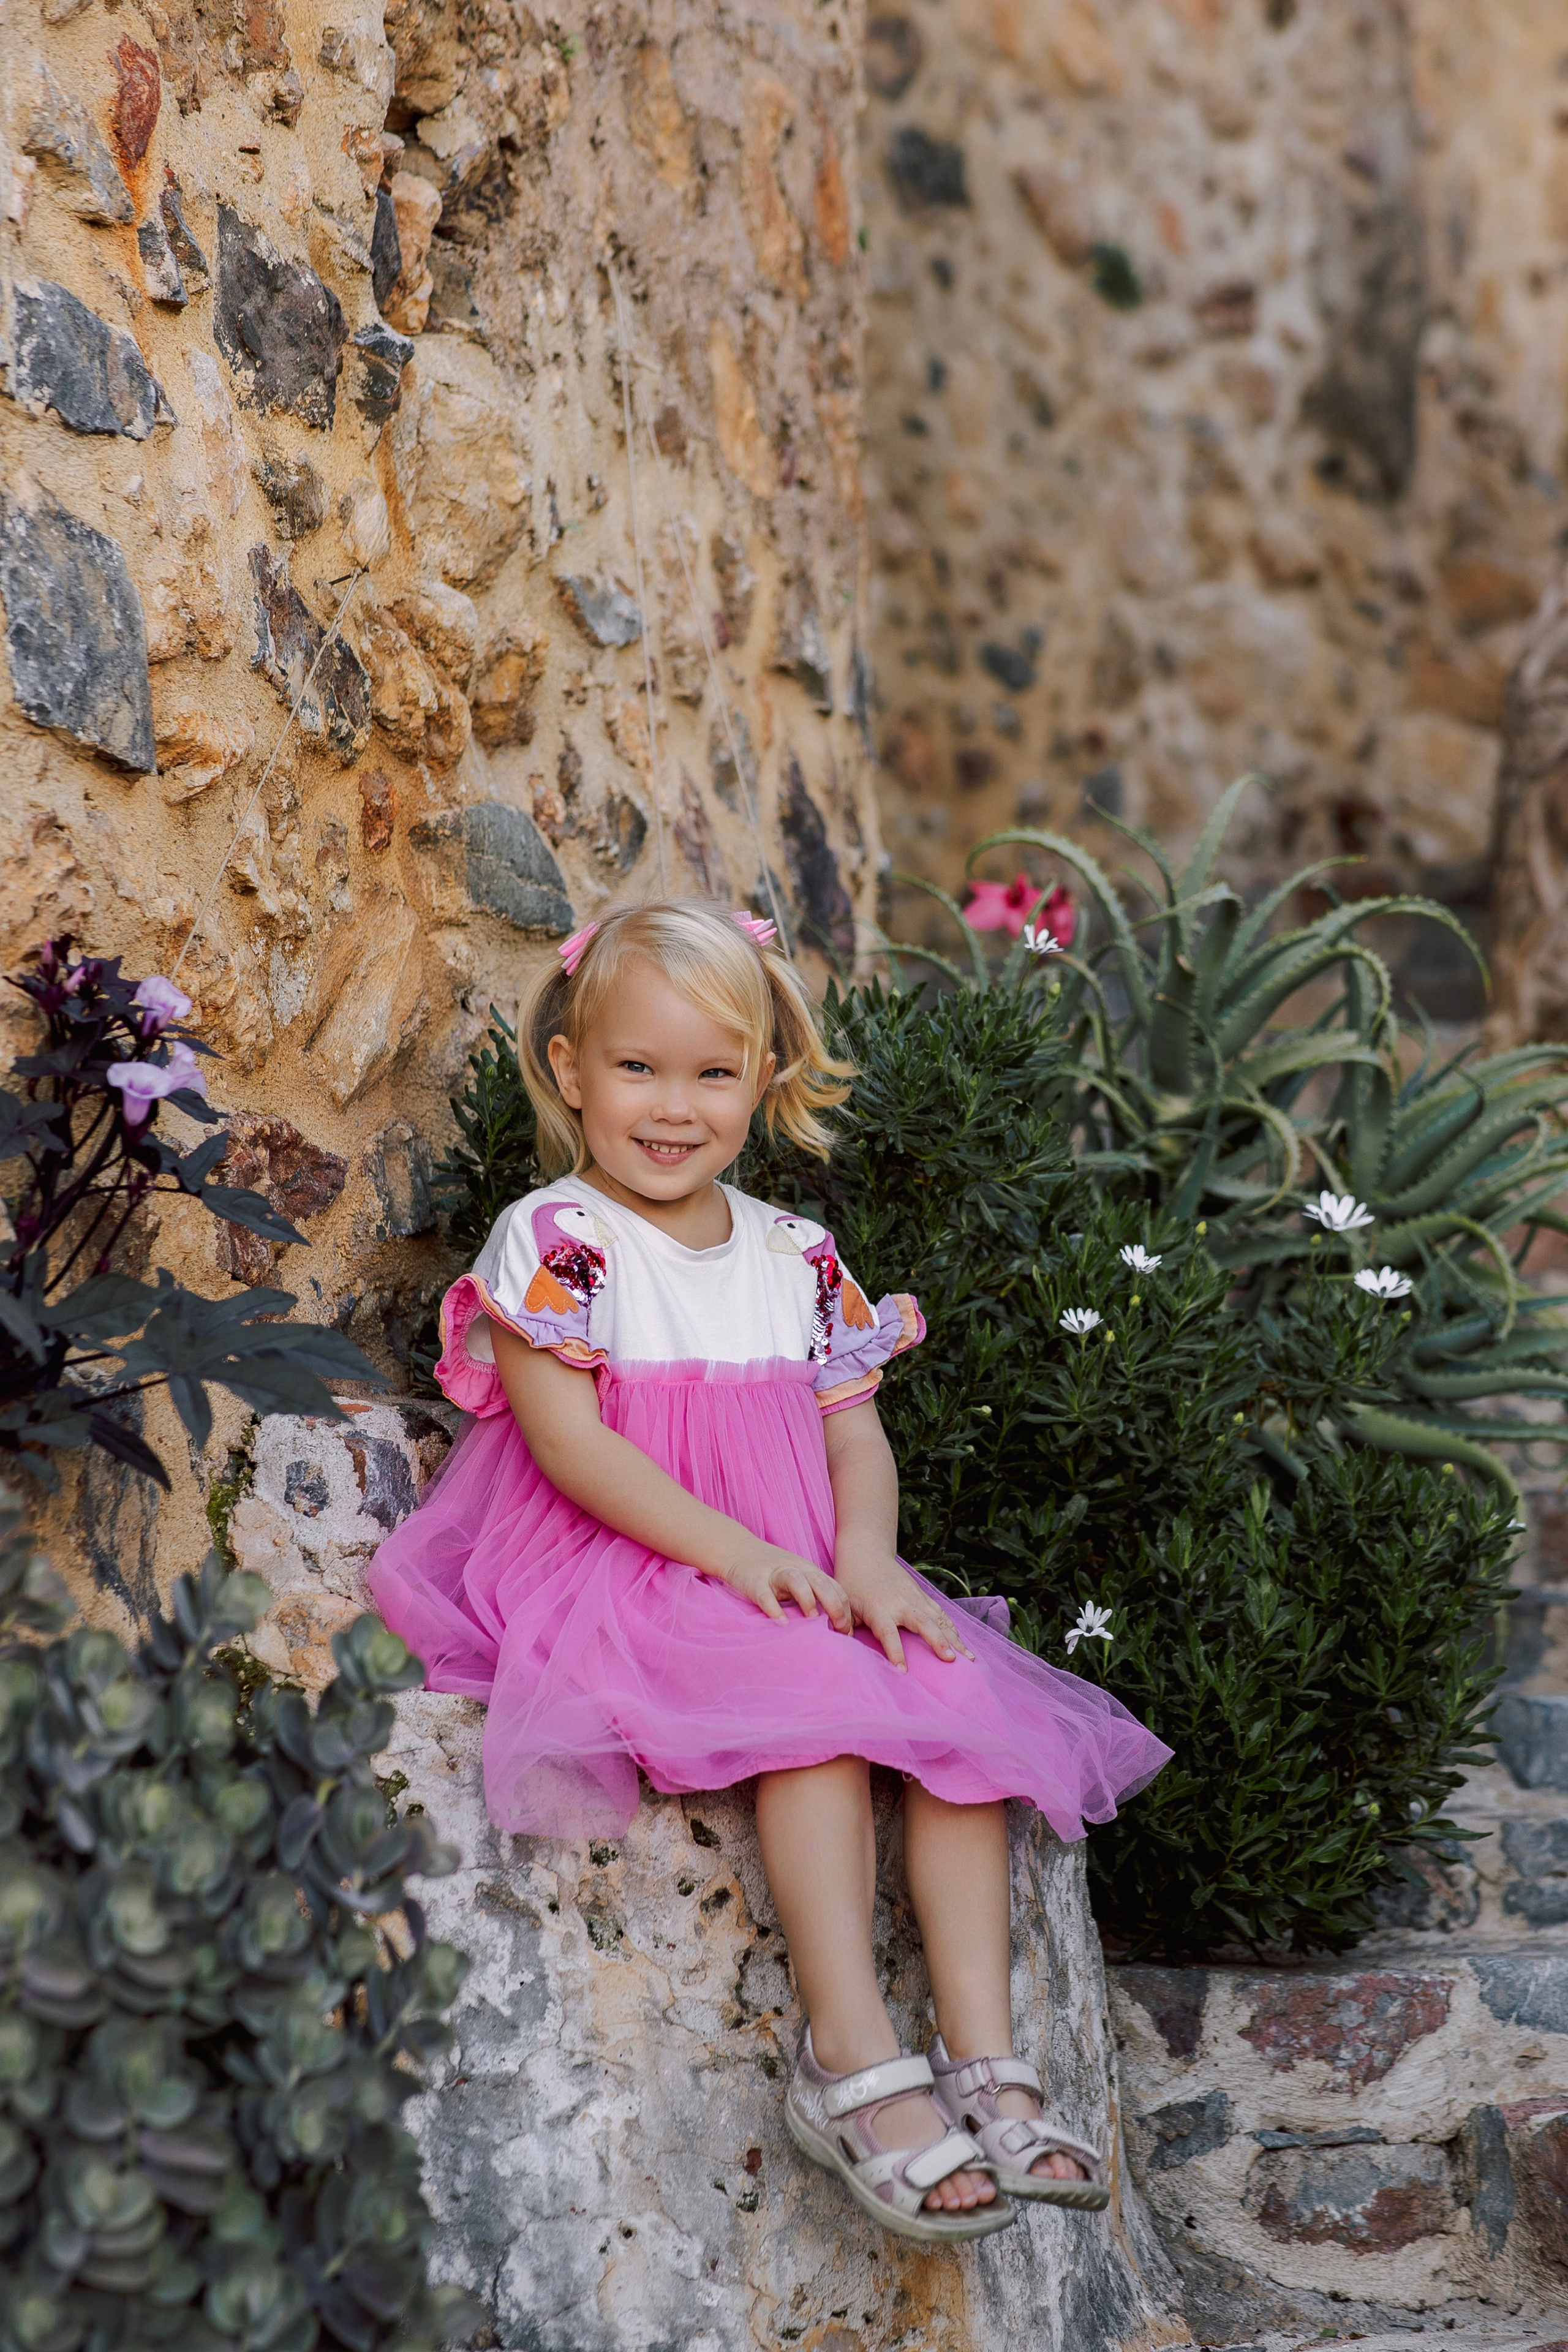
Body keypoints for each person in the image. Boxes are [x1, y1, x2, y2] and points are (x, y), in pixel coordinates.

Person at [369, 899, 1170, 2245]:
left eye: (710, 1073)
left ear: (763, 1081)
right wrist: (738, 1554)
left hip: (789, 1569)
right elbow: (569, 1451)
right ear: (570, 1072)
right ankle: (850, 2059)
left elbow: (855, 1440)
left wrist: (864, 1560)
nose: (672, 1107)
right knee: (814, 1717)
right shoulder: (560, 1236)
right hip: (623, 1563)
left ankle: (986, 2061)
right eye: (637, 1069)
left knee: (945, 1696)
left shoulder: (795, 1257)